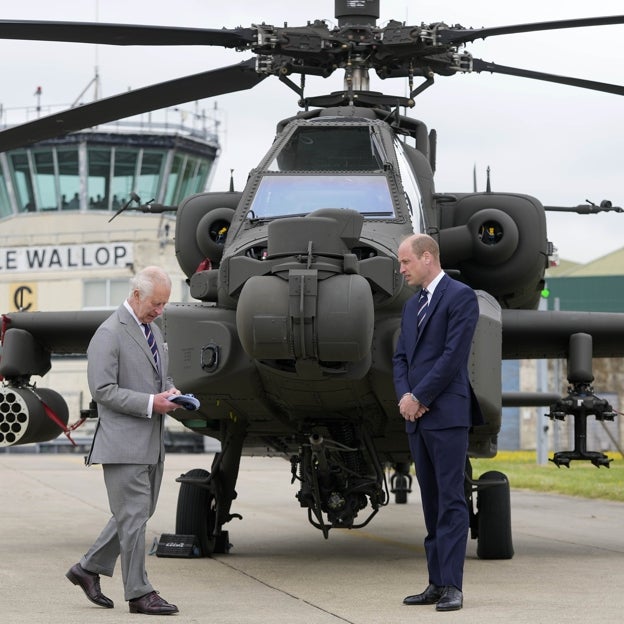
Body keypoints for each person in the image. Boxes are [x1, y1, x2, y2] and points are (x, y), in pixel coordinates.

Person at [66, 265, 183, 615]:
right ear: (135, 295)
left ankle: (86, 569)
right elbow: (102, 390)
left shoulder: (152, 328)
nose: (160, 311)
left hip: (151, 443)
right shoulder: (108, 333)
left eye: (164, 304)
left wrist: (170, 392)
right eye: (156, 303)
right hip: (123, 444)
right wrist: (152, 403)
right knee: (133, 518)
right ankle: (139, 593)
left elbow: (159, 376)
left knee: (136, 514)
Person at [392, 234, 483, 612]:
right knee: (430, 502)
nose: (402, 270)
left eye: (405, 262)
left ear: (427, 257)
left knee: (451, 500)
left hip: (445, 415)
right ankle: (435, 581)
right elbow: (400, 358)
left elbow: (452, 356)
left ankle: (453, 587)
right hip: (417, 418)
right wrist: (405, 398)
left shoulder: (461, 296)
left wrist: (420, 397)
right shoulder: (412, 306)